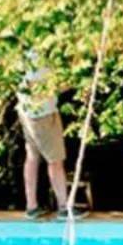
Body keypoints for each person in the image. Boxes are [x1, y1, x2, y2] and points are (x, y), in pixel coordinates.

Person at [16, 52, 71, 218]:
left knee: (32, 157)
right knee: (55, 160)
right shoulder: (35, 56)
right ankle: (63, 207)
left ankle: (31, 205)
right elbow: (38, 88)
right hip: (43, 115)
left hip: (27, 112)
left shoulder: (19, 55)